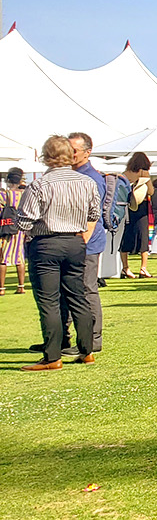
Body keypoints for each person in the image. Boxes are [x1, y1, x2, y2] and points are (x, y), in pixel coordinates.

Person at [19, 135, 100, 371]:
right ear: (70, 155)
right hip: (75, 242)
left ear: (45, 157)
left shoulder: (39, 185)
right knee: (78, 296)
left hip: (46, 243)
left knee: (49, 301)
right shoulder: (86, 182)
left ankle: (53, 355)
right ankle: (87, 351)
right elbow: (94, 214)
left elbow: (25, 220)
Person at [66, 133, 111, 353]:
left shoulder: (92, 178)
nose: (71, 154)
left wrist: (82, 239)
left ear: (87, 151)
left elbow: (92, 214)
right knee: (65, 289)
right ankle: (62, 338)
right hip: (69, 240)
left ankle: (93, 340)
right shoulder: (69, 175)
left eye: (75, 150)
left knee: (86, 289)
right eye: (69, 149)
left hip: (87, 242)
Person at [117, 152, 153, 278]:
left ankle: (125, 268)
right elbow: (151, 192)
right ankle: (143, 268)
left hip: (127, 207)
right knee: (143, 237)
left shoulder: (126, 174)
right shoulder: (144, 173)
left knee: (126, 237)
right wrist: (146, 180)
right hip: (141, 208)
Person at [1, 166, 25, 297]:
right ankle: (21, 286)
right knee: (19, 258)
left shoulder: (4, 194)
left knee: (3, 258)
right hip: (20, 229)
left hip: (6, 228)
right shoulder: (24, 194)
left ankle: (1, 288)